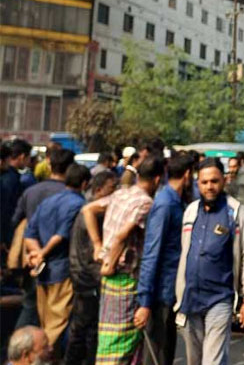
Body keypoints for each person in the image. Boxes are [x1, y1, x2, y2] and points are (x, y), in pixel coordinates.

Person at [174, 158, 244, 365]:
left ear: (224, 181)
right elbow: (182, 253)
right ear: (197, 183)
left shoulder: (235, 212)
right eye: (204, 182)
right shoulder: (191, 211)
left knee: (213, 361)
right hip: (190, 297)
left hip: (219, 299)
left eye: (214, 181)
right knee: (195, 360)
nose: (209, 186)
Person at [83, 156, 164, 365]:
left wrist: (98, 245)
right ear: (157, 180)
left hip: (110, 278)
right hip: (123, 277)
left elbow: (88, 210)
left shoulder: (121, 194)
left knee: (108, 337)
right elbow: (122, 235)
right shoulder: (146, 203)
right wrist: (110, 260)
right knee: (121, 338)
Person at [134, 153, 195, 365]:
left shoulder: (176, 202)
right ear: (188, 175)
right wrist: (145, 301)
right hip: (159, 294)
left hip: (170, 292)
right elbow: (152, 254)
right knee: (156, 356)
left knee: (165, 353)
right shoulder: (165, 205)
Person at [23, 164, 91, 350]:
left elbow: (29, 234)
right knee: (56, 326)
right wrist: (42, 254)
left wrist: (37, 255)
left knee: (46, 322)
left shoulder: (48, 202)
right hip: (62, 271)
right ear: (84, 183)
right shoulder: (78, 204)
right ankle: (40, 357)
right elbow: (60, 236)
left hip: (43, 272)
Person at [65, 170, 117, 365]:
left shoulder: (94, 213)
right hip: (86, 279)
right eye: (111, 189)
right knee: (85, 328)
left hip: (84, 276)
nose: (114, 195)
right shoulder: (91, 215)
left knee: (86, 327)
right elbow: (90, 255)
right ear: (98, 190)